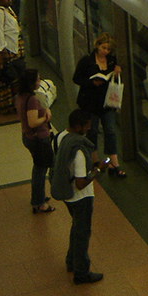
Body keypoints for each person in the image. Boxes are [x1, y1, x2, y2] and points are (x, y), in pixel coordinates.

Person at [51, 108, 107, 284]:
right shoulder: (80, 151)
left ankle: (71, 261)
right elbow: (81, 182)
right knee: (82, 233)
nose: (89, 129)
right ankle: (81, 272)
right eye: (87, 126)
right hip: (81, 197)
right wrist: (97, 170)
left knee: (76, 227)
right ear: (78, 126)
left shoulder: (60, 137)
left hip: (67, 195)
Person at [73, 33, 126, 177]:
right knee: (93, 130)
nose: (105, 51)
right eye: (103, 48)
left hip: (107, 102)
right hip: (90, 102)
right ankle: (95, 159)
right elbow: (76, 78)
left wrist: (115, 74)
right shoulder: (87, 61)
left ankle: (114, 162)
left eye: (108, 49)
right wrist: (92, 82)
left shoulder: (111, 61)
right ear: (97, 46)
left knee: (110, 130)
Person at [15, 69, 55, 214]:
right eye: (38, 80)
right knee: (41, 170)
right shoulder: (31, 99)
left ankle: (39, 197)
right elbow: (33, 122)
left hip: (28, 136)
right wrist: (46, 117)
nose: (40, 82)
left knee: (38, 168)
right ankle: (39, 203)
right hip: (38, 139)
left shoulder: (20, 96)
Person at [0, 0, 23, 114]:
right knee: (8, 76)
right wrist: (2, 48)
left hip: (15, 46)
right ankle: (7, 105)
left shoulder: (8, 10)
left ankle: (15, 102)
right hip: (8, 48)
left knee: (16, 75)